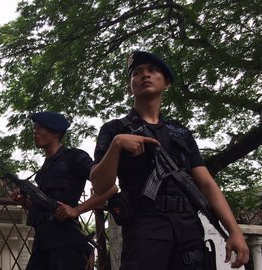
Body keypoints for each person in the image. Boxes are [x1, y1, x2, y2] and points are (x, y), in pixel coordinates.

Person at [90, 51, 249, 269]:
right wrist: (117, 145)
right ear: (129, 88)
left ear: (167, 83)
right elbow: (100, 185)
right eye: (137, 73)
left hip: (188, 229)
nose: (145, 75)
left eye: (153, 71)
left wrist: (234, 231)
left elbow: (206, 184)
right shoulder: (114, 130)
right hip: (145, 229)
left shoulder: (180, 132)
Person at [13, 111, 118, 270]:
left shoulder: (74, 158)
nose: (35, 131)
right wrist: (24, 203)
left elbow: (110, 187)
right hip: (42, 242)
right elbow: (42, 209)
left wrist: (77, 210)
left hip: (66, 243)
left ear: (56, 132)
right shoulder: (43, 170)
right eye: (35, 127)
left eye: (40, 128)